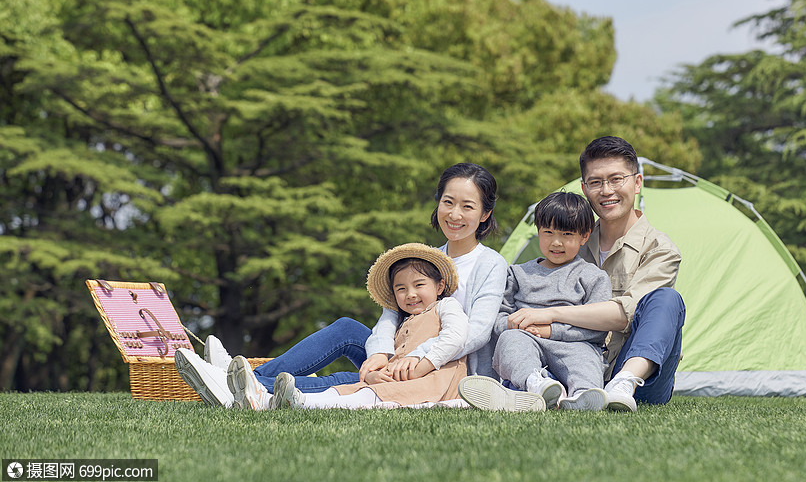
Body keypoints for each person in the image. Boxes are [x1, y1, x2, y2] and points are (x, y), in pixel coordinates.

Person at [174, 163, 507, 408]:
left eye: (468, 206)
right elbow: (390, 318)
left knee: (351, 383)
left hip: (444, 367)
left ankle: (241, 382)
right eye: (448, 202)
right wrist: (378, 355)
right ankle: (243, 375)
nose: (455, 214)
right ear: (438, 203)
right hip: (399, 352)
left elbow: (476, 333)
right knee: (348, 329)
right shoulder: (425, 259)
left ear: (484, 214)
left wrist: (418, 359)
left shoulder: (490, 264)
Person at [502, 136, 686, 412]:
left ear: (637, 183)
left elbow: (624, 314)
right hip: (569, 362)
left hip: (636, 374)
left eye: (616, 179)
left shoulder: (660, 249)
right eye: (596, 182)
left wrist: (551, 314)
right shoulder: (568, 240)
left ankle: (622, 383)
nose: (606, 190)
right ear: (584, 188)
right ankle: (542, 386)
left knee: (668, 300)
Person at [257, 243, 468, 410]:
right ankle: (256, 379)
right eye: (401, 288)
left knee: (344, 381)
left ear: (440, 286)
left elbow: (456, 335)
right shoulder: (402, 317)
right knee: (347, 350)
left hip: (424, 376)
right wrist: (374, 368)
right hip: (393, 374)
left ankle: (259, 387)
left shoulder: (445, 306)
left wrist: (419, 361)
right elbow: (381, 332)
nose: (410, 294)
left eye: (419, 285)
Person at [457, 192, 612, 412]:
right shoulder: (518, 273)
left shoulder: (592, 276)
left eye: (567, 234)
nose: (556, 242)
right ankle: (536, 384)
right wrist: (515, 325)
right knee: (511, 341)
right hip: (526, 339)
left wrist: (550, 331)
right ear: (538, 231)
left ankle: (583, 395)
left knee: (585, 358)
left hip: (574, 344)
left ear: (584, 236)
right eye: (548, 232)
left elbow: (598, 329)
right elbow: (499, 317)